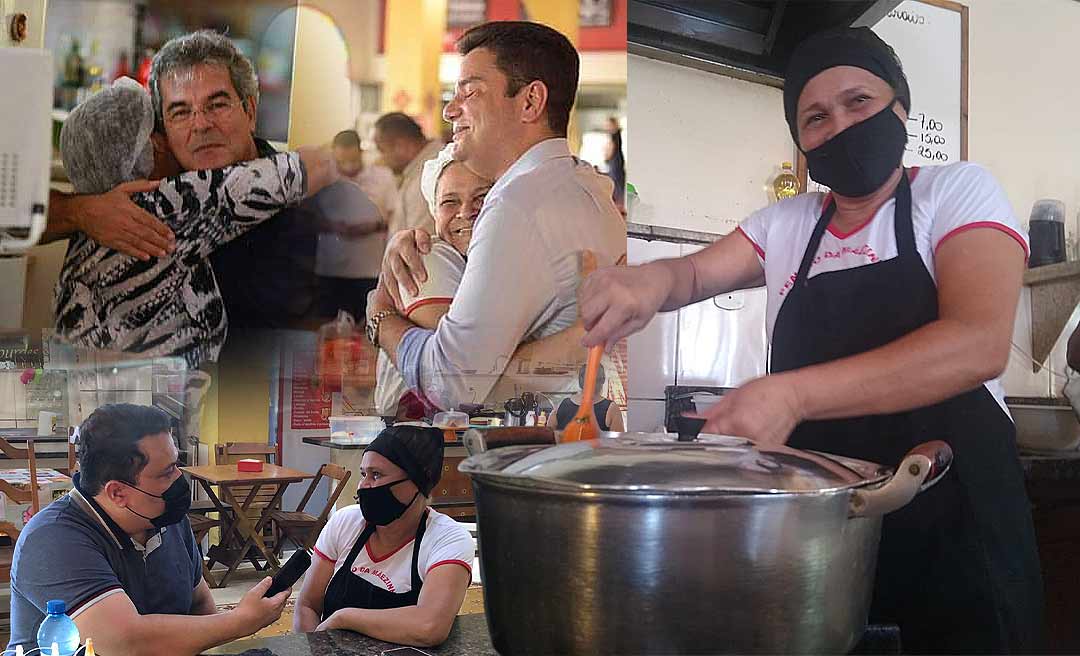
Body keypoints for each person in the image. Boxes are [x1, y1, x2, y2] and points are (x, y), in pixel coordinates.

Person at [578, 27, 1042, 653]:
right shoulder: (788, 223)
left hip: (957, 522)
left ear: (900, 109)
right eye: (816, 117)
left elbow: (977, 342)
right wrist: (646, 283)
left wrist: (791, 396)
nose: (840, 126)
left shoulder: (954, 191)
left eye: (860, 102)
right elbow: (690, 272)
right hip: (832, 534)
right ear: (801, 141)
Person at [369, 21, 626, 412]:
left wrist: (381, 318)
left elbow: (454, 383)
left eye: (470, 92)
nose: (451, 109)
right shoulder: (589, 188)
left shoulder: (516, 205)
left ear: (529, 102)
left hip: (533, 449)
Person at [53, 77, 335, 369]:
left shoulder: (94, 216)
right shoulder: (166, 203)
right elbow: (309, 168)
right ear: (152, 146)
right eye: (165, 124)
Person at [7, 404, 289, 656]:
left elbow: (200, 606)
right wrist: (240, 621)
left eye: (177, 464)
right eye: (166, 472)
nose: (180, 478)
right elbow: (124, 644)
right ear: (117, 493)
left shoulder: (165, 518)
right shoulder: (53, 539)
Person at [374, 145, 587, 417]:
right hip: (420, 438)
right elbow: (471, 370)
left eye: (482, 198)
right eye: (450, 202)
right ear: (434, 211)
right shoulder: (426, 257)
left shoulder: (511, 261)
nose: (466, 212)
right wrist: (582, 334)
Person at [293, 426, 474, 647]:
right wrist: (317, 649)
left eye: (376, 475)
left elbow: (429, 626)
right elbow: (307, 605)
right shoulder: (345, 522)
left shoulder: (447, 539)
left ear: (419, 479)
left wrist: (345, 617)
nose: (363, 486)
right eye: (363, 474)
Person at [316, 130, 402, 320]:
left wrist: (371, 227)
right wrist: (332, 226)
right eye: (341, 162)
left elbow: (395, 216)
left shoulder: (382, 177)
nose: (347, 167)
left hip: (369, 269)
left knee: (367, 326)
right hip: (330, 270)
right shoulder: (323, 178)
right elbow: (309, 217)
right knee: (328, 328)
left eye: (352, 160)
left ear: (361, 152)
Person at [372, 112, 443, 236]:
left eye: (382, 150)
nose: (382, 159)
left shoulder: (429, 175)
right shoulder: (418, 169)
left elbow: (421, 245)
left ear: (400, 145)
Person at [555, 363, 625, 432]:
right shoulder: (611, 408)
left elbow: (548, 438)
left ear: (580, 380)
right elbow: (619, 441)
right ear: (603, 379)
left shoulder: (561, 405)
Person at [604, 116, 626, 210]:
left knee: (615, 181)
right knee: (617, 181)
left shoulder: (614, 135)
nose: (606, 127)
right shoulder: (617, 134)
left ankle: (619, 204)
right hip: (617, 161)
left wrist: (607, 157)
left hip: (615, 161)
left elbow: (611, 147)